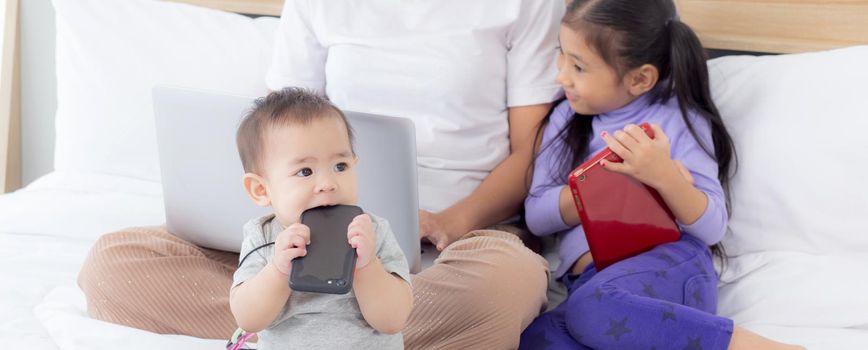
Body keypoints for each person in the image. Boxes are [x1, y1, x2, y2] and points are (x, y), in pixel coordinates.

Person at [78, 1, 563, 348]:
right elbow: (277, 133)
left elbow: (531, 154)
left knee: (505, 285)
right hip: (304, 241)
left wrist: (450, 223)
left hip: (458, 238)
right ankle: (322, 322)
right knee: (112, 263)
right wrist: (281, 255)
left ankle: (300, 327)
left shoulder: (525, 6)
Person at [519, 0, 805, 349]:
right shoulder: (565, 121)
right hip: (591, 281)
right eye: (561, 55)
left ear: (640, 78)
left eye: (578, 66)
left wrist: (663, 175)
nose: (561, 74)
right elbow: (537, 216)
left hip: (669, 265)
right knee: (535, 338)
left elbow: (712, 225)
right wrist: (599, 187)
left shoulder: (677, 121)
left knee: (593, 310)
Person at [228, 88, 412, 349]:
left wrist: (367, 266)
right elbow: (248, 319)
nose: (327, 183)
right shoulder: (263, 237)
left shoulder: (372, 232)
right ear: (261, 189)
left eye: (340, 166)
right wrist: (278, 271)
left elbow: (393, 320)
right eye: (305, 171)